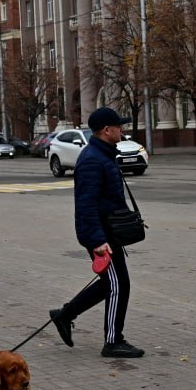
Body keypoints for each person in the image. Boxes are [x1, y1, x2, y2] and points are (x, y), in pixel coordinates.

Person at [49, 107, 144, 358]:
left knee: (112, 283)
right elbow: (86, 205)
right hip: (101, 235)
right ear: (106, 130)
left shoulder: (103, 155)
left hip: (109, 232)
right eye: (119, 126)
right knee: (117, 285)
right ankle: (113, 342)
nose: (122, 130)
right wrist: (98, 240)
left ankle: (65, 315)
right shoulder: (92, 159)